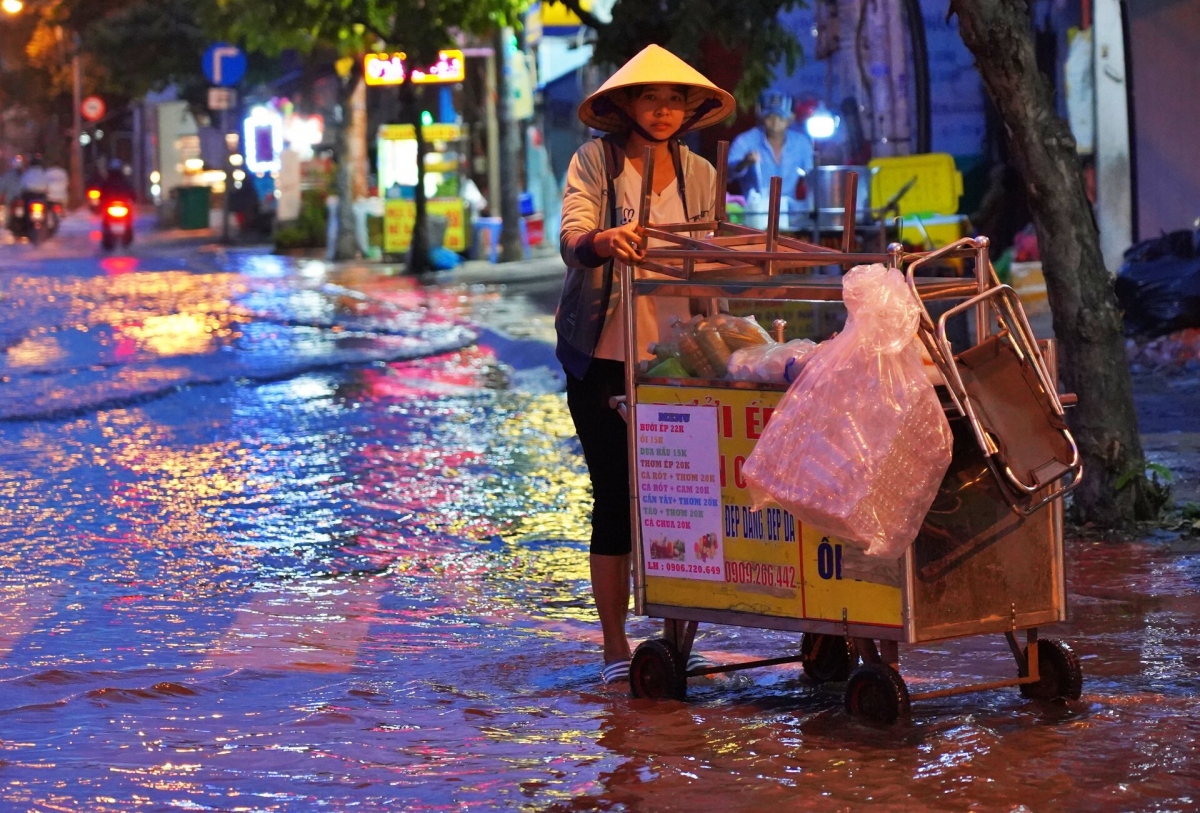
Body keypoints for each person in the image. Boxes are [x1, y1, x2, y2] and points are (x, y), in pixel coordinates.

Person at [556, 44, 734, 684]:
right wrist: (602, 239)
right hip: (603, 360)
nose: (664, 110)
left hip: (680, 364)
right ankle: (611, 644)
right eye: (651, 98)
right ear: (626, 104)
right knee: (616, 500)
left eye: (676, 100)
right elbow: (573, 237)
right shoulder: (595, 162)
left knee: (681, 500)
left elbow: (713, 260)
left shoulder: (699, 172)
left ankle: (673, 636)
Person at [728, 91, 813, 201]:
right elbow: (727, 173)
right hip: (755, 210)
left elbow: (811, 176)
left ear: (791, 118)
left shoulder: (802, 142)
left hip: (790, 211)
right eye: (770, 117)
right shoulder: (745, 140)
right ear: (761, 116)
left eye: (781, 117)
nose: (775, 123)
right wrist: (744, 162)